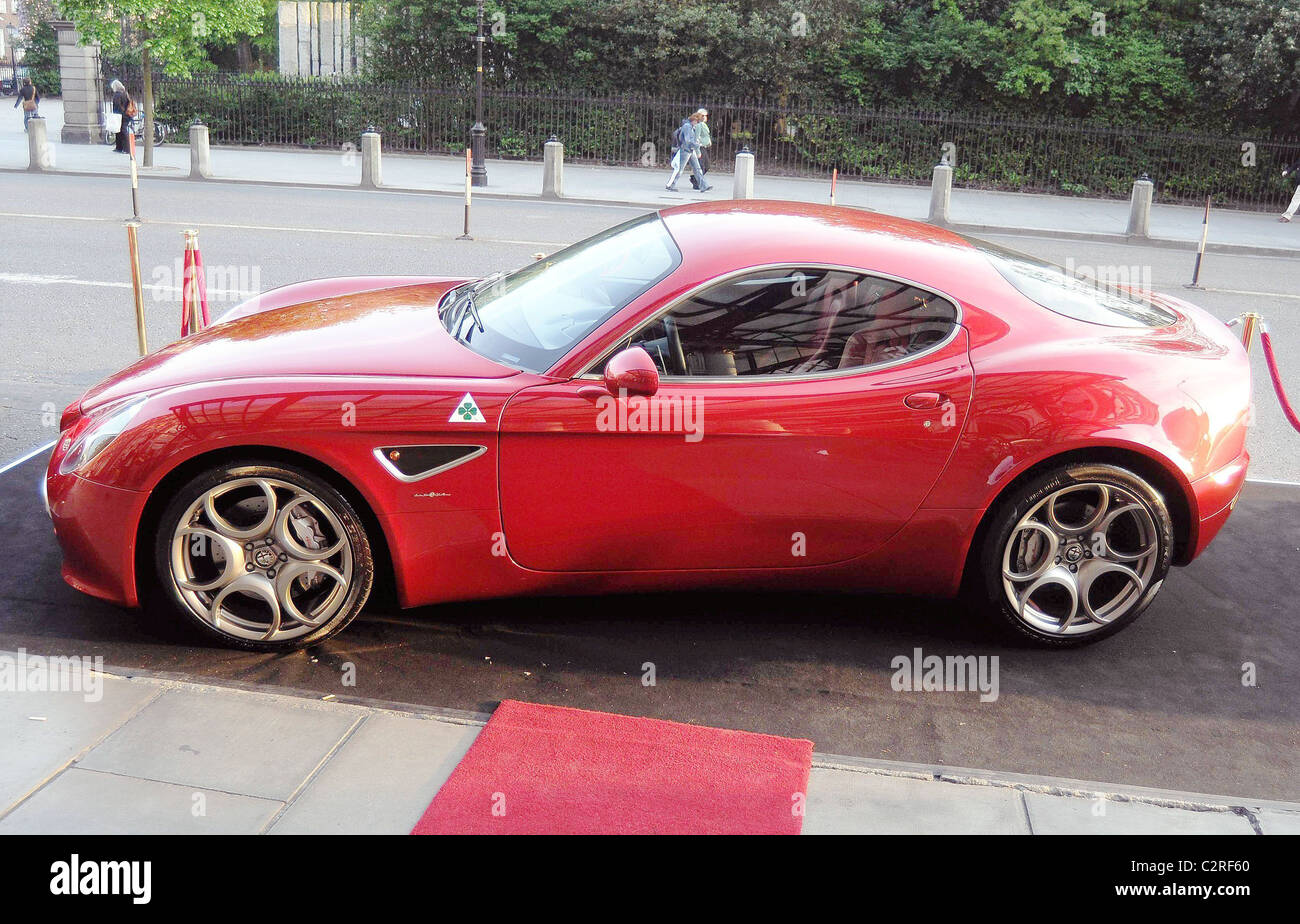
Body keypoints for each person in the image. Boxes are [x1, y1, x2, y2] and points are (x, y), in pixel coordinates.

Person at [666, 111, 711, 192]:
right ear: (694, 120)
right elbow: (688, 140)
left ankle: (703, 186)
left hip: (690, 150)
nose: (697, 124)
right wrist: (697, 144)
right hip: (685, 150)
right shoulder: (687, 127)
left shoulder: (690, 126)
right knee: (679, 169)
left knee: (697, 168)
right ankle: (670, 185)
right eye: (698, 122)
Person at [110, 79, 134, 154]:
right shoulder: (125, 93)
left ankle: (126, 148)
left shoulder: (117, 95)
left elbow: (117, 105)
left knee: (121, 131)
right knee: (120, 130)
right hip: (126, 114)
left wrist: (118, 113)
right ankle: (120, 147)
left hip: (120, 115)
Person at [690, 108, 711, 189]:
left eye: (705, 115)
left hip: (704, 147)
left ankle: (694, 178)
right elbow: (696, 138)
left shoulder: (703, 124)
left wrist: (708, 141)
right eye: (703, 115)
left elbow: (705, 135)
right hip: (700, 147)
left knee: (706, 166)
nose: (705, 117)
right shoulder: (699, 125)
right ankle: (697, 183)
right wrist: (698, 150)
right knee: (701, 166)